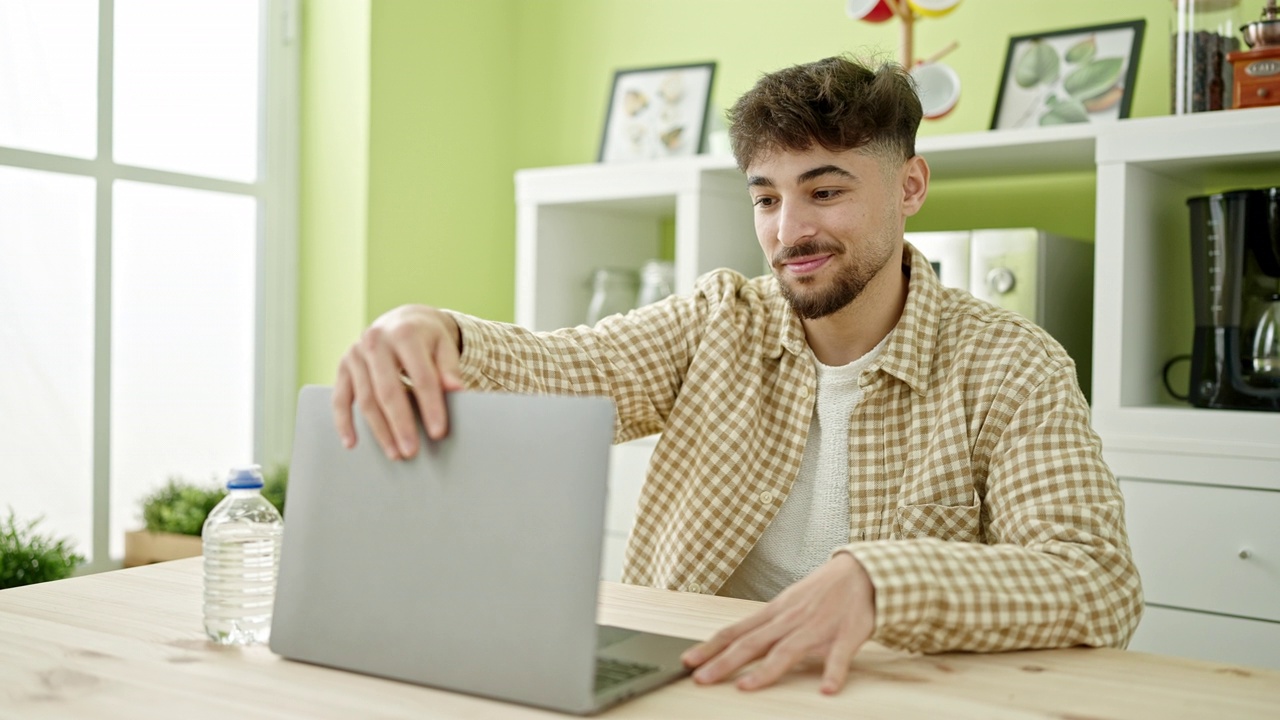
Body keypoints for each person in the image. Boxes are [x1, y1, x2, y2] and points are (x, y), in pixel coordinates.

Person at [332, 55, 1143, 695]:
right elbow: (568, 366)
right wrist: (437, 330)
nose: (790, 231)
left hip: (880, 694)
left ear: (910, 187)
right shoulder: (718, 320)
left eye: (825, 191)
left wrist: (879, 582)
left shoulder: (1010, 363)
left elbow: (1095, 582)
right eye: (766, 199)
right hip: (693, 685)